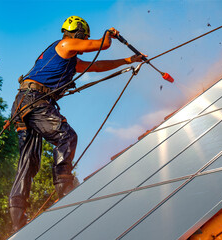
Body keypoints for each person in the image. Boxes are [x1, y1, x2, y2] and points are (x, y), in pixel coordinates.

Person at [9, 15, 145, 232]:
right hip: (35, 101)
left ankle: (17, 221)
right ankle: (64, 186)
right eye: (85, 37)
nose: (84, 42)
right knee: (66, 136)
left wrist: (128, 61)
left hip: (24, 104)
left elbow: (97, 66)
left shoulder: (68, 59)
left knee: (28, 163)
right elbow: (103, 46)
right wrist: (109, 34)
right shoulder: (65, 44)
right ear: (78, 34)